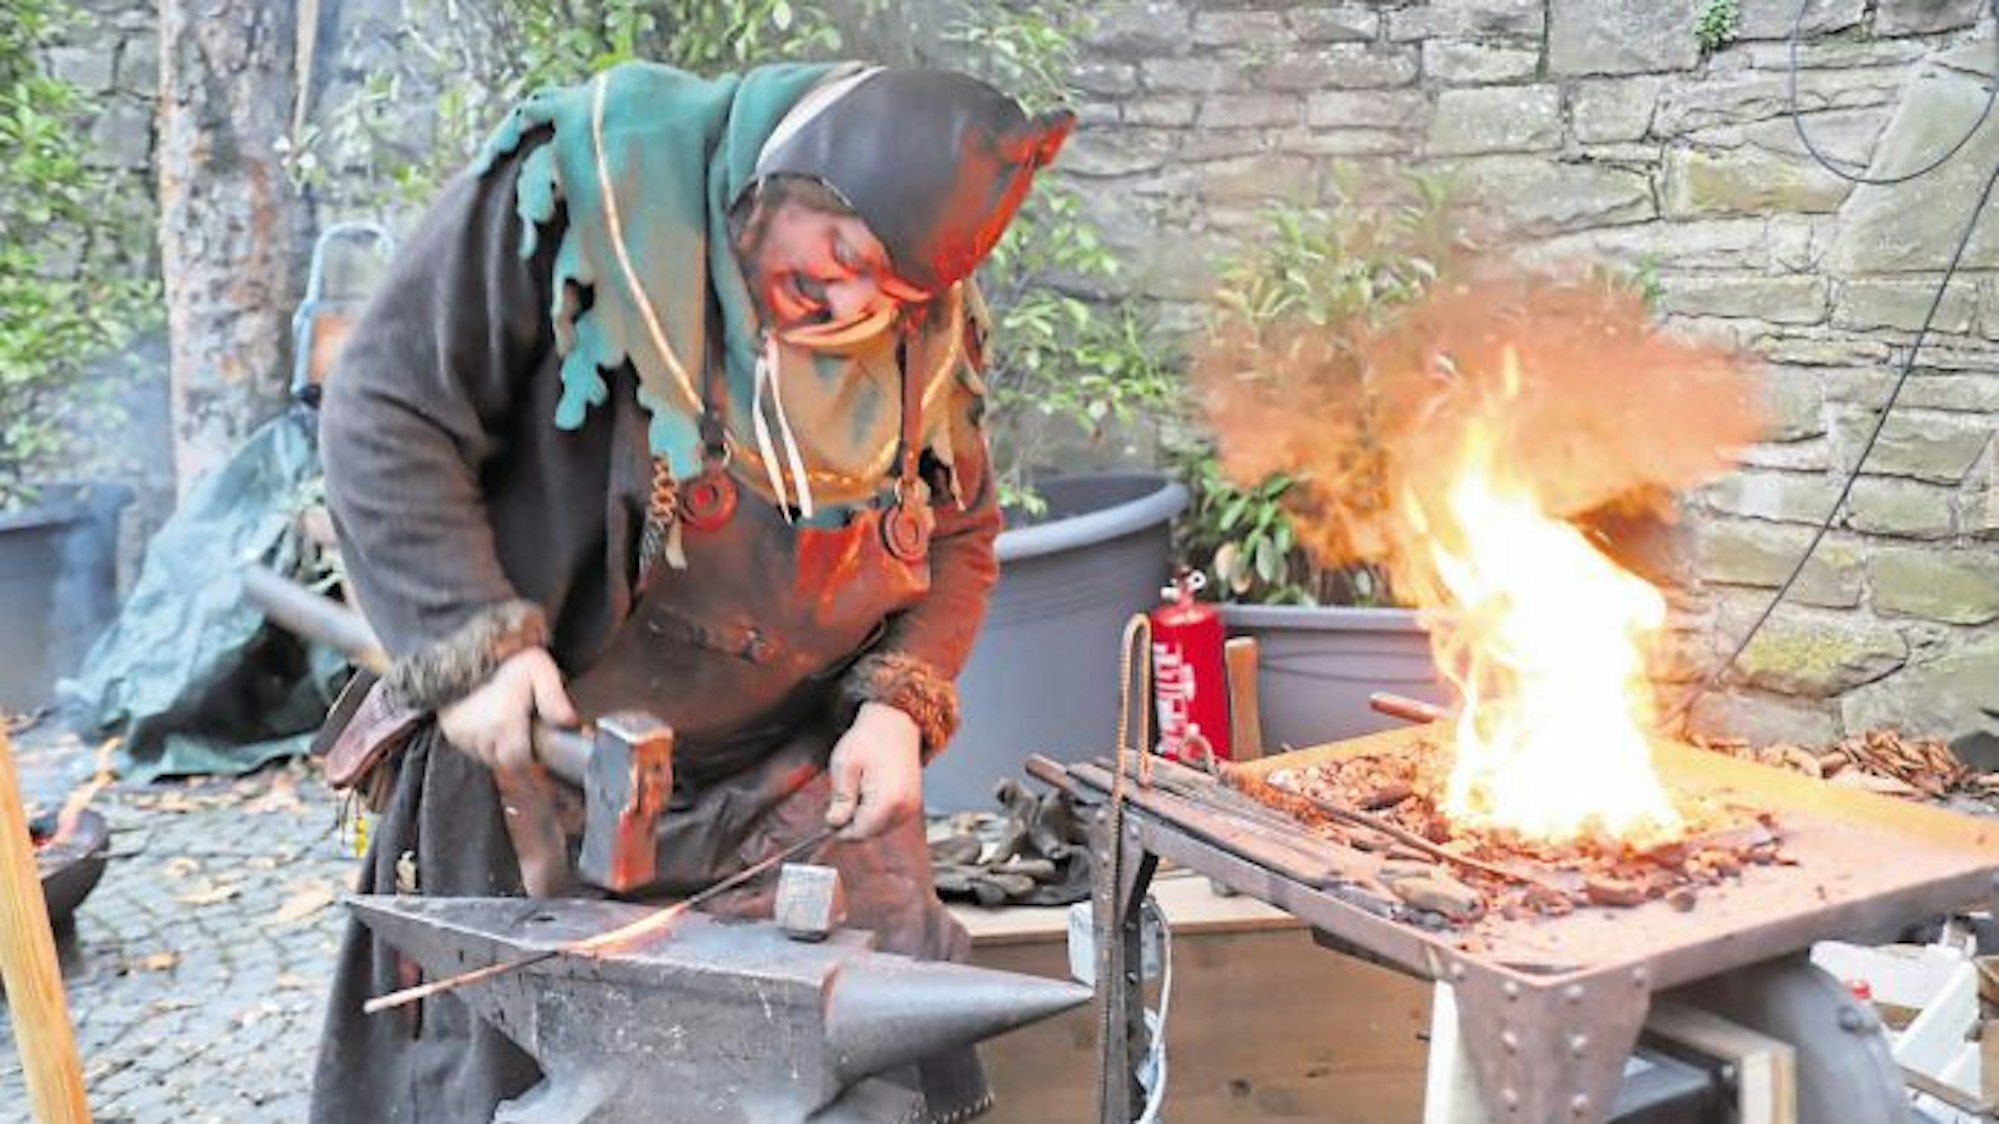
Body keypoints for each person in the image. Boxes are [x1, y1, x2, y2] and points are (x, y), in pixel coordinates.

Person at [306, 60, 1073, 1123]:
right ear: (780, 171)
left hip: (792, 779)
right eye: (838, 255)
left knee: (881, 1087)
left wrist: (899, 703)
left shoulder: (926, 336)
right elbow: (385, 413)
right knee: (510, 1086)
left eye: (889, 292)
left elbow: (961, 534)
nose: (847, 304)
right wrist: (470, 642)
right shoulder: (577, 198)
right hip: (541, 752)